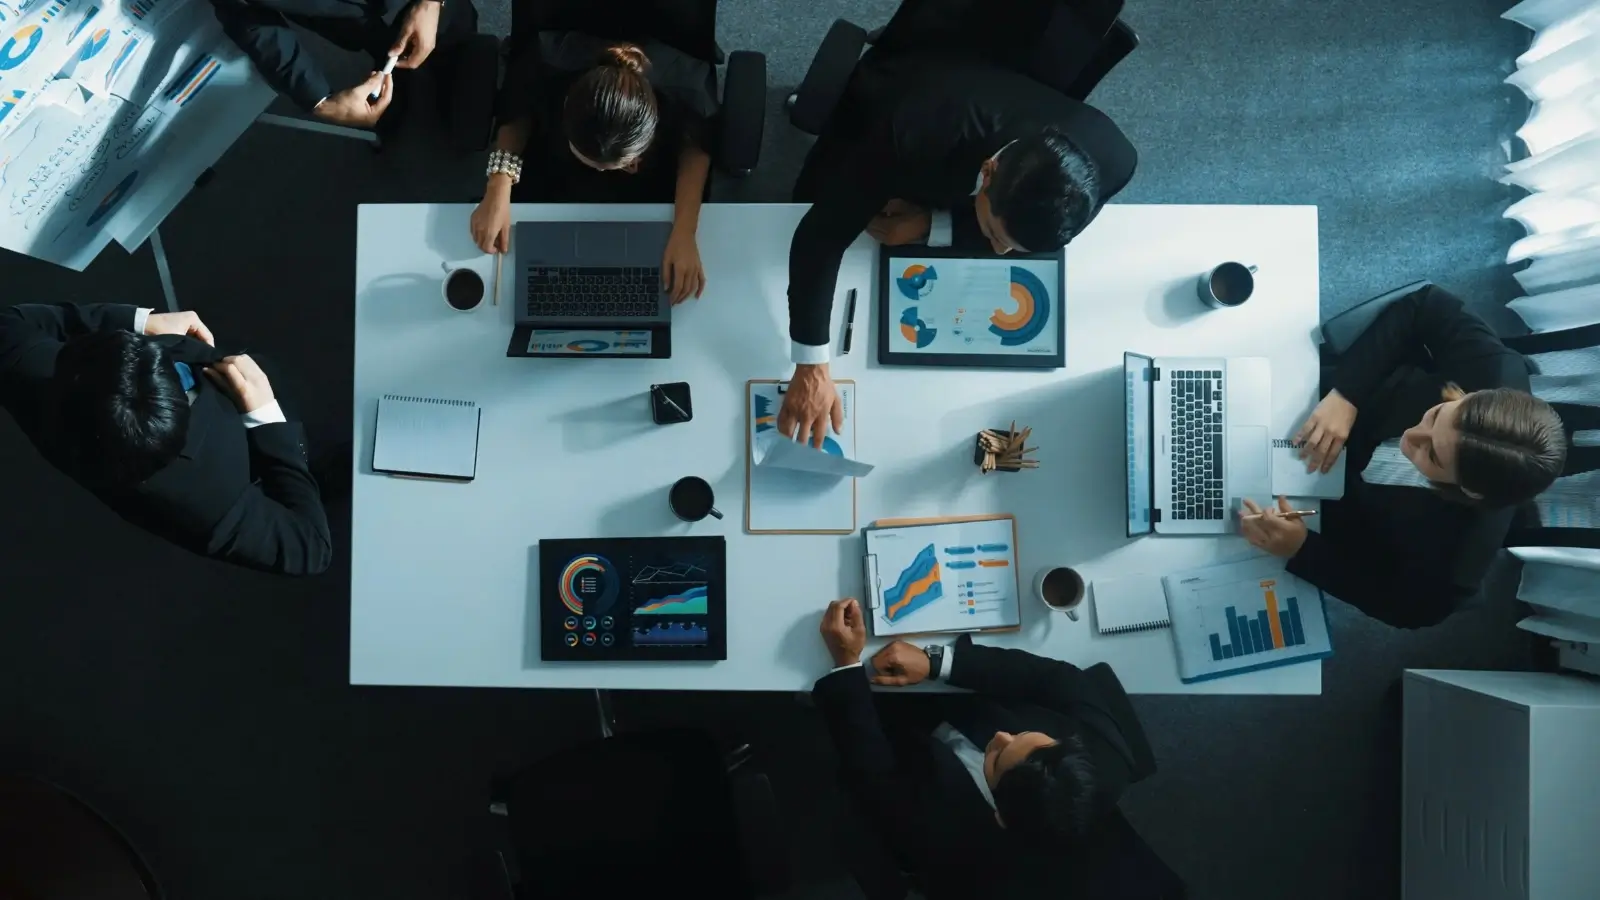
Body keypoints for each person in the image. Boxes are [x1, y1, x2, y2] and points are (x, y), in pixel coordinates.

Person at [777, 52, 1137, 447]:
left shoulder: (1112, 160)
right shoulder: (913, 130)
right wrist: (811, 367)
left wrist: (931, 225)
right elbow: (821, 235)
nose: (999, 254)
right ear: (987, 173)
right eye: (993, 235)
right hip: (917, 129)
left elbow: (1031, 241)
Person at [1239, 285, 1567, 627]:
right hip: (1330, 402)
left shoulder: (1458, 563)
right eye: (1438, 414)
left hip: (1323, 513)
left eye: (1432, 455)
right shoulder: (1497, 371)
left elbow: (1410, 609)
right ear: (1471, 396)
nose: (1411, 437)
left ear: (1470, 492)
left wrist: (1303, 548)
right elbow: (1426, 303)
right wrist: (1347, 395)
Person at [812, 598, 1181, 899]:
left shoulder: (941, 840)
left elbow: (871, 769)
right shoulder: (1105, 756)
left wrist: (845, 665)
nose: (1003, 735)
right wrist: (939, 663)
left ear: (1001, 817)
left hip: (908, 735)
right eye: (1032, 737)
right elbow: (1060, 680)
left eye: (997, 757)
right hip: (968, 697)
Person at [0, 302, 333, 576]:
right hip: (270, 449)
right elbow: (312, 548)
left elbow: (10, 319)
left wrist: (142, 322)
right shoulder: (208, 502)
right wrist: (266, 417)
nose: (173, 357)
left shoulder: (30, 366)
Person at [469, 39, 712, 303]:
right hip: (558, 173)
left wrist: (685, 231)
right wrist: (498, 187)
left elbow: (696, 147)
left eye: (625, 165)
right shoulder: (544, 64)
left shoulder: (687, 89)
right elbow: (517, 113)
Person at [211, 0, 479, 128]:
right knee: (400, 96)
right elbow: (247, 16)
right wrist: (319, 101)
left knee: (459, 45)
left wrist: (430, 3)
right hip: (341, 17)